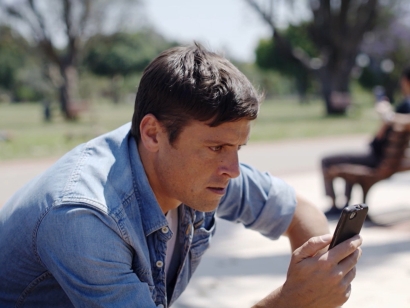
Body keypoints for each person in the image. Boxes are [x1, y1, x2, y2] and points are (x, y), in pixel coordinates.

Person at [0, 43, 362, 308]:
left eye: (239, 148)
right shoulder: (83, 217)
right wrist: (293, 301)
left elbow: (298, 211)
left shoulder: (197, 172)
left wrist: (323, 274)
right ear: (153, 133)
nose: (233, 170)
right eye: (217, 148)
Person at [321, 66, 410, 217]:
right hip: (382, 156)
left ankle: (335, 205)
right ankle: (345, 204)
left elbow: (382, 133)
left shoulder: (405, 105)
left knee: (326, 161)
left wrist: (386, 115)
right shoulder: (404, 106)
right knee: (348, 161)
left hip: (376, 157)